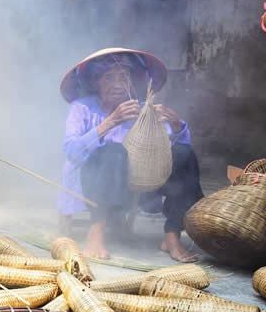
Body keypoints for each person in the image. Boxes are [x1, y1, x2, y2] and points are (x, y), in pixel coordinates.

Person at [58, 48, 204, 262]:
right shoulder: (81, 108)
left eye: (124, 77)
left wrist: (176, 125)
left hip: (138, 185)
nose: (117, 84)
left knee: (184, 154)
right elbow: (72, 151)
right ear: (95, 82)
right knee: (113, 152)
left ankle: (172, 235)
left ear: (133, 81)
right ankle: (96, 232)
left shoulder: (142, 109)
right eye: (109, 77)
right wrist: (111, 122)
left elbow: (172, 148)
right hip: (90, 183)